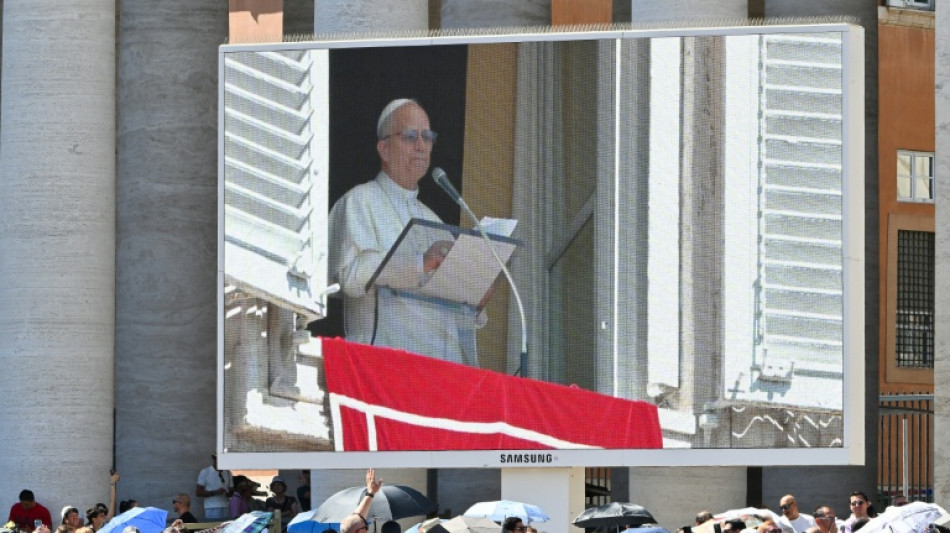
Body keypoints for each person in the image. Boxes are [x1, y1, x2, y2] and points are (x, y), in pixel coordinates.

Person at [328, 98, 486, 367]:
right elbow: (351, 276)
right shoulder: (359, 201)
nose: (421, 146)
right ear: (384, 148)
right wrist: (419, 263)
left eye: (427, 137)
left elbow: (459, 316)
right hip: (379, 363)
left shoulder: (433, 221)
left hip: (437, 371)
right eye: (410, 136)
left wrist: (478, 294)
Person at [196, 452, 233, 521]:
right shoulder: (205, 472)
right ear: (213, 458)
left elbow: (231, 489)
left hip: (226, 506)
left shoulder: (228, 472)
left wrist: (228, 493)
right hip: (211, 507)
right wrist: (215, 492)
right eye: (218, 459)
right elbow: (198, 492)